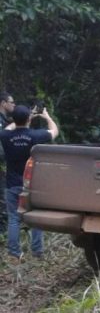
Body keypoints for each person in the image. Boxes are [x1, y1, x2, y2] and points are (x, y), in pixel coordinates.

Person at [0, 105, 59, 261]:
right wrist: (47, 117)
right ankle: (37, 252)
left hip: (12, 184)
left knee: (13, 218)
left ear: (13, 119)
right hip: (32, 184)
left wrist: (22, 119)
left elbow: (8, 128)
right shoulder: (35, 135)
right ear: (28, 119)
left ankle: (14, 253)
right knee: (35, 217)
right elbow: (54, 132)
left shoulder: (5, 136)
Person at [0, 91, 14, 231]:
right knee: (2, 198)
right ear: (3, 103)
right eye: (11, 102)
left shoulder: (5, 121)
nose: (13, 104)